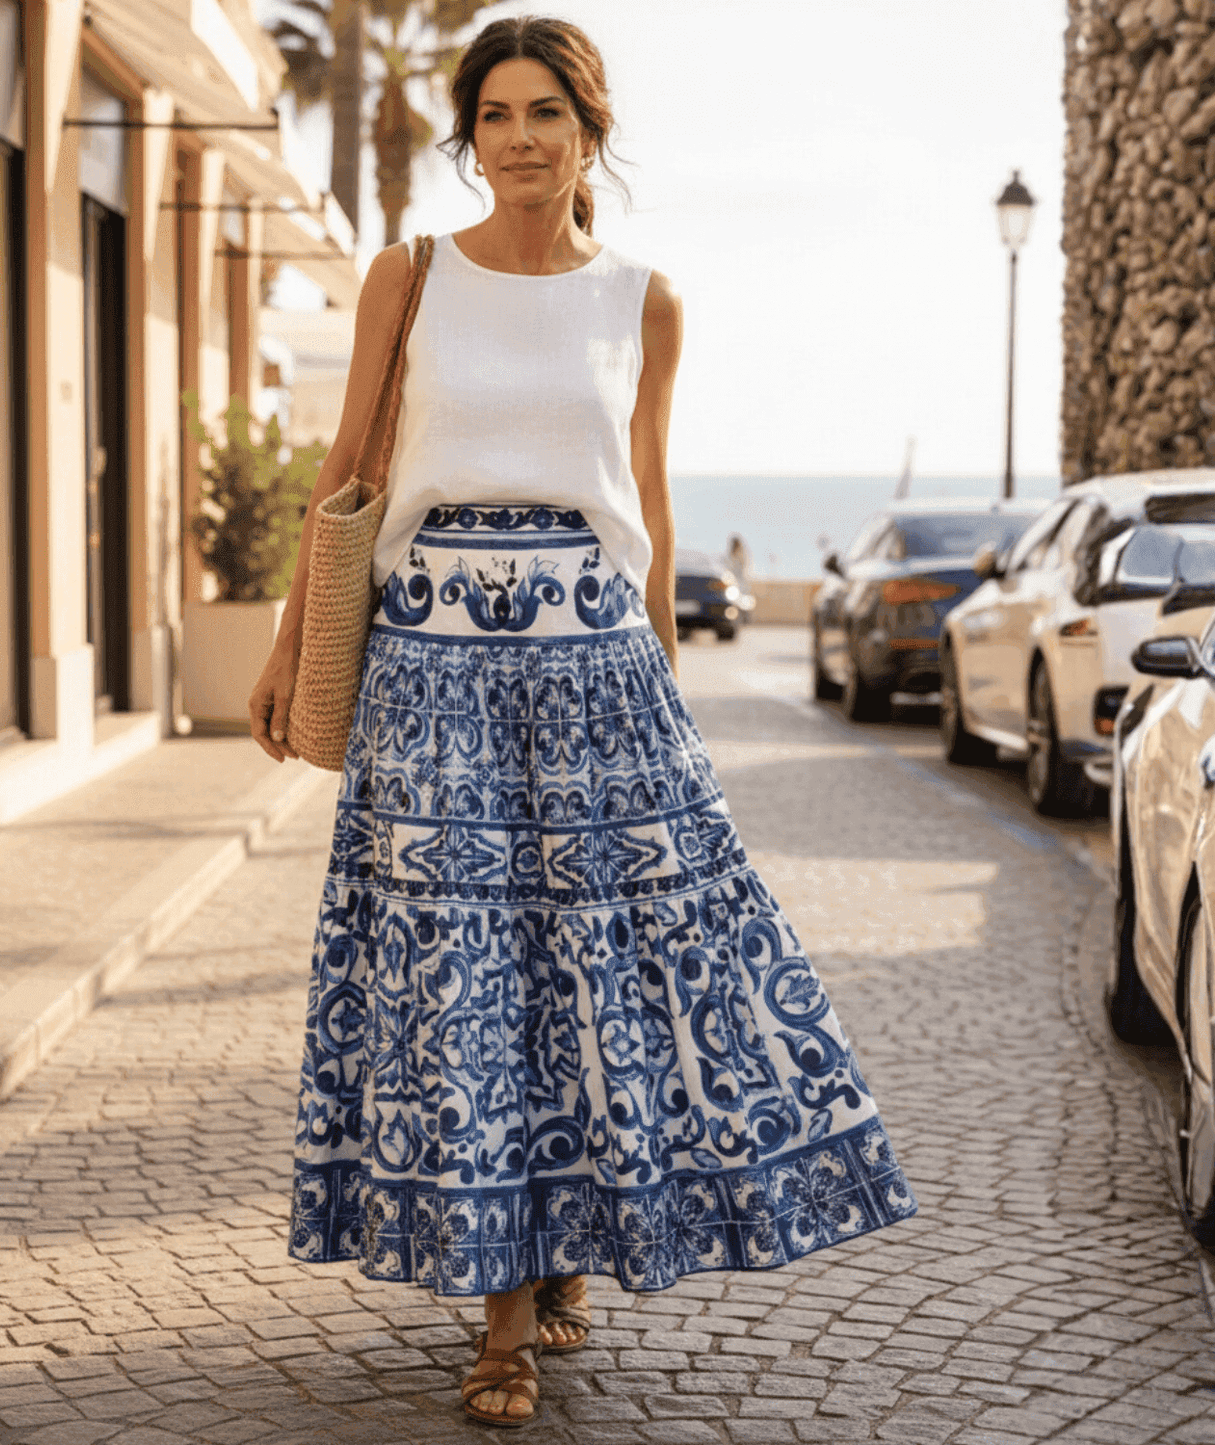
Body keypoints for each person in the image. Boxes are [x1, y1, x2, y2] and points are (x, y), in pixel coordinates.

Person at [248, 16, 916, 1428]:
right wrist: (287, 646)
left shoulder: (644, 299)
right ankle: (501, 1324)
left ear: (588, 127)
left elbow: (650, 507)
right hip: (435, 679)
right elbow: (348, 470)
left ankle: (556, 1253)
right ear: (468, 137)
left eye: (544, 111)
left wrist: (667, 675)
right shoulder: (410, 277)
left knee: (600, 968)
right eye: (493, 114)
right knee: (472, 975)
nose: (520, 138)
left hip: (599, 671)